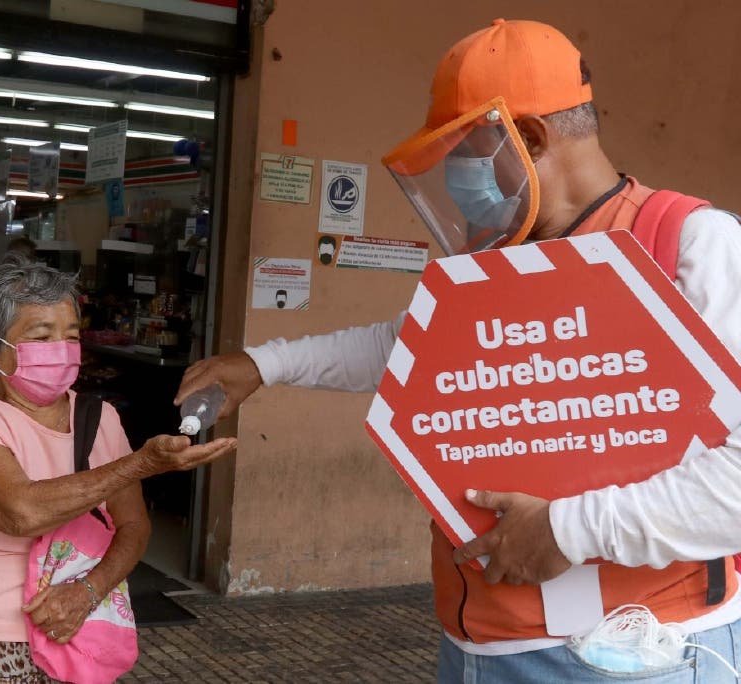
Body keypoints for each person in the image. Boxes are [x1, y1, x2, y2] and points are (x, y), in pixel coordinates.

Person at [175, 18, 741, 682]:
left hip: (638, 653)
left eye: (467, 151)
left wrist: (569, 530)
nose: (458, 178)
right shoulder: (507, 257)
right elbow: (412, 350)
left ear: (528, 137)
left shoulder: (693, 245)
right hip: (480, 649)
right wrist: (264, 364)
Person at [0, 254, 237, 682]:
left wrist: (87, 592)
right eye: (42, 337)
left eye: (71, 335)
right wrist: (141, 464)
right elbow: (20, 512)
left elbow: (134, 526)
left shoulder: (99, 418)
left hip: (77, 634)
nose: (61, 350)